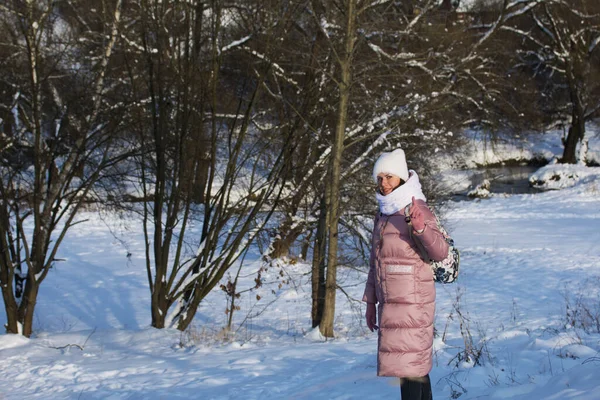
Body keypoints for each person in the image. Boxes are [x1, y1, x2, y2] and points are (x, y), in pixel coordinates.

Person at [363, 149, 449, 400]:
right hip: (392, 305)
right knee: (414, 369)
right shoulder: (384, 214)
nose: (384, 183)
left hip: (413, 304)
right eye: (379, 178)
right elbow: (375, 263)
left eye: (389, 177)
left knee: (410, 368)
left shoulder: (415, 207)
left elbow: (440, 252)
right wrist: (370, 301)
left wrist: (421, 228)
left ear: (401, 178)